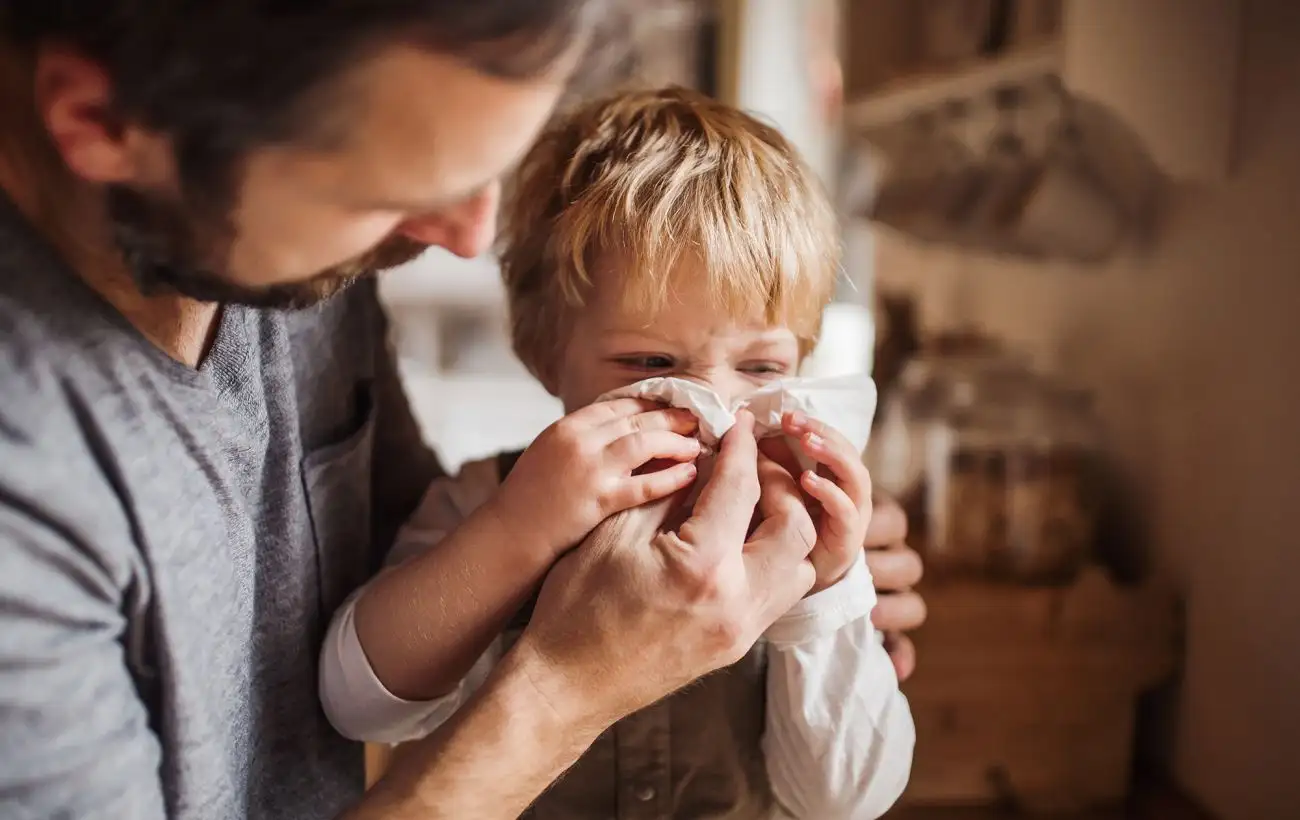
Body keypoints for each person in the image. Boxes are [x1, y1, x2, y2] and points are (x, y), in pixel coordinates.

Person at [0, 3, 925, 819]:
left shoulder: (297, 257)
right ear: (102, 122)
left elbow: (846, 789)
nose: (469, 239)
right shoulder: (29, 493)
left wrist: (835, 594)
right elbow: (364, 687)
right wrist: (571, 672)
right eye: (387, 189)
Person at [319, 87, 915, 820]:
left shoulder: (800, 529)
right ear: (546, 357)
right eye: (649, 363)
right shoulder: (493, 498)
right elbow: (358, 706)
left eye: (760, 370)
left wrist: (826, 598)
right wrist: (518, 529)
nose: (714, 411)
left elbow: (844, 799)